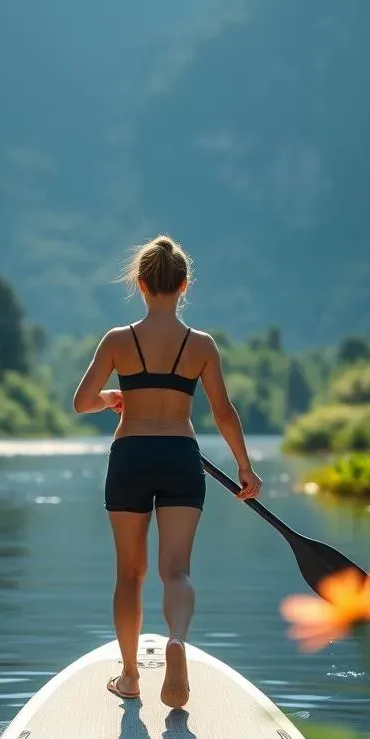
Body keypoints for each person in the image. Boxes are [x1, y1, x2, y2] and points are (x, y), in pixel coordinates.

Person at [72, 234, 262, 710]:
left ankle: (132, 675)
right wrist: (244, 468)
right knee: (175, 570)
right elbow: (223, 412)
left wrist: (112, 398)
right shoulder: (200, 345)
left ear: (140, 284)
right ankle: (176, 639)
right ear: (184, 285)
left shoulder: (118, 341)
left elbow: (80, 403)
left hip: (131, 455)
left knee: (129, 575)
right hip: (181, 457)